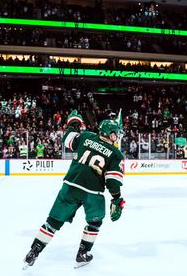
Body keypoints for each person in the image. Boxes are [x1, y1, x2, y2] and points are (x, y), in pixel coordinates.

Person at [23, 110, 125, 269]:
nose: (117, 136)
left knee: (53, 221)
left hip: (71, 185)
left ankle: (34, 251)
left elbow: (67, 139)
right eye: (115, 133)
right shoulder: (116, 154)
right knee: (94, 222)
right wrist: (117, 199)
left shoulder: (86, 136)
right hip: (93, 192)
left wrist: (74, 123)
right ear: (109, 133)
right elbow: (112, 181)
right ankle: (82, 253)